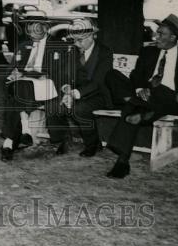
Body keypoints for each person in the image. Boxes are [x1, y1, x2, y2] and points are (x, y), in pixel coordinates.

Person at [106, 14, 178, 179]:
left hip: (170, 99)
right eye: (157, 32)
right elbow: (136, 74)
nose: (155, 36)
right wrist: (139, 88)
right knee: (112, 75)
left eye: (161, 34)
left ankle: (122, 161)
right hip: (145, 96)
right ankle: (139, 107)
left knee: (160, 91)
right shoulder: (148, 52)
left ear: (173, 37)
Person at [46, 18, 133, 158]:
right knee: (53, 105)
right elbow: (63, 74)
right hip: (75, 92)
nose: (76, 43)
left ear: (91, 36)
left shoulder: (104, 52)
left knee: (79, 109)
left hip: (99, 94)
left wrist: (74, 94)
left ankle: (93, 144)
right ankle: (62, 140)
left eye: (80, 40)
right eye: (74, 40)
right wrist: (66, 88)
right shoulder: (72, 51)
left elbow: (98, 81)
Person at [0, 13, 67, 161]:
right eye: (29, 27)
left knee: (18, 92)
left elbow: (63, 72)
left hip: (47, 86)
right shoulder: (23, 45)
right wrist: (12, 74)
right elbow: (10, 69)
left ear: (45, 27)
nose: (31, 30)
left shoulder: (58, 45)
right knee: (20, 85)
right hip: (25, 87)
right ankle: (20, 134)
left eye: (36, 26)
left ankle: (10, 141)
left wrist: (47, 76)